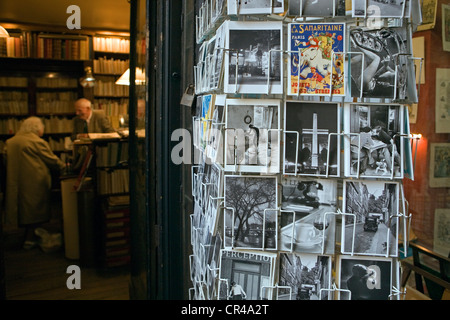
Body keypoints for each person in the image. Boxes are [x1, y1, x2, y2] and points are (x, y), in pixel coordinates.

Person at [4, 117, 66, 250]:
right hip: (35, 182)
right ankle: (30, 239)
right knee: (35, 210)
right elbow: (52, 160)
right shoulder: (36, 141)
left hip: (16, 182)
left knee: (23, 210)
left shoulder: (11, 142)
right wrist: (65, 167)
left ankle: (29, 235)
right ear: (36, 128)